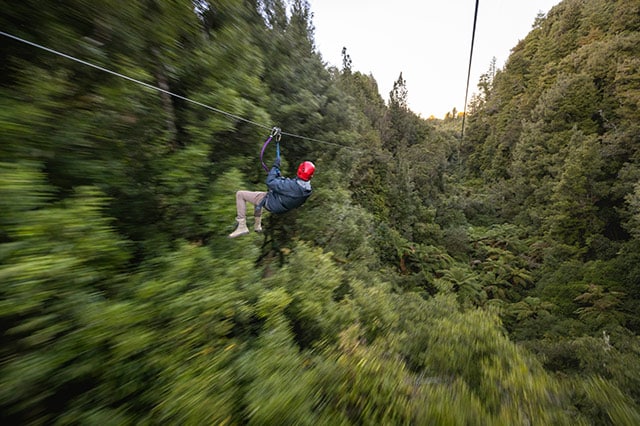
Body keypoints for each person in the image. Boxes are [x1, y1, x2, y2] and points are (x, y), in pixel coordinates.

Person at [228, 159, 315, 238]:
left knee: (240, 194)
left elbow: (270, 182)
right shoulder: (307, 189)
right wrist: (280, 178)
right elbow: (289, 186)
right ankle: (257, 226)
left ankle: (242, 226)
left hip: (271, 202)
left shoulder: (292, 187)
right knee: (257, 197)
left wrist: (275, 167)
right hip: (280, 206)